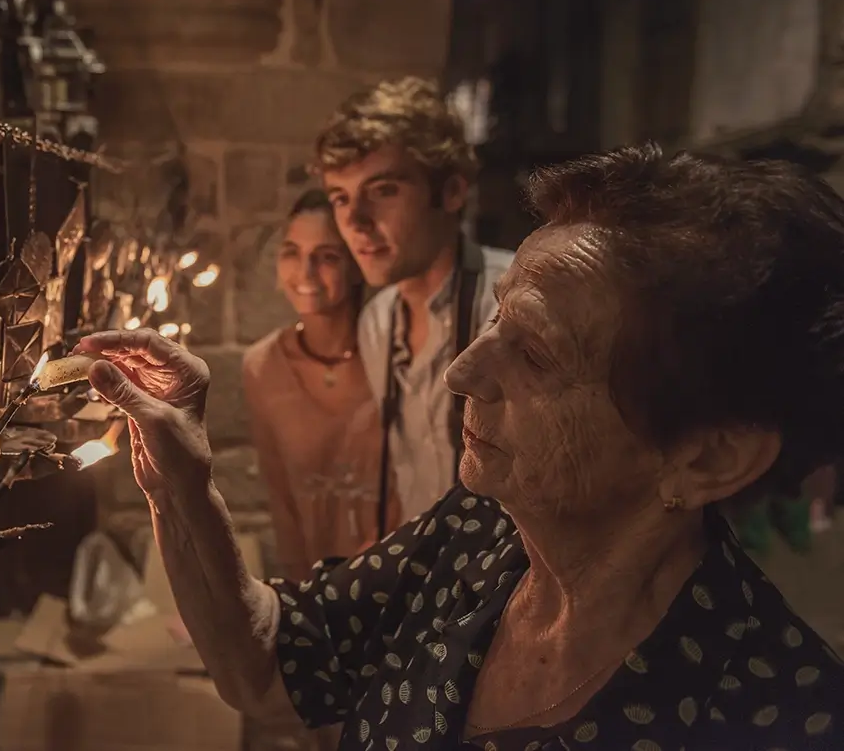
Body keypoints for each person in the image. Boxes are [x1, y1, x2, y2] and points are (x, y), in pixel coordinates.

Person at [77, 144, 844, 750]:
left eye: (536, 353)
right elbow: (266, 665)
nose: (462, 373)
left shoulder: (779, 714)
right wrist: (179, 483)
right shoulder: (479, 535)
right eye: (497, 318)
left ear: (709, 458)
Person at [314, 77, 513, 529]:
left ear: (452, 192)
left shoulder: (511, 304)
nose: (355, 221)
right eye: (340, 198)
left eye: (383, 190)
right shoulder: (377, 322)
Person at [243, 190, 391, 580]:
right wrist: (301, 595)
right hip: (319, 585)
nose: (305, 272)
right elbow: (283, 502)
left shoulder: (396, 354)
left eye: (327, 257)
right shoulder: (263, 366)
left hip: (403, 576)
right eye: (292, 252)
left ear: (357, 265)